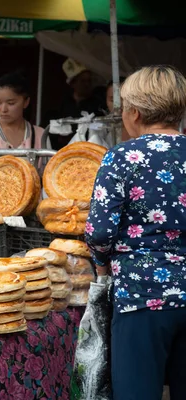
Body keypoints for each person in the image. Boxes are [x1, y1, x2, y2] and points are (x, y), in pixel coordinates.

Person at [85, 65, 186, 400]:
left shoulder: (121, 158)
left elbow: (99, 232)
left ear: (135, 113)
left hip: (140, 299)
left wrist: (100, 265)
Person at [48, 59, 106, 149]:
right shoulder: (65, 103)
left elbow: (101, 126)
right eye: (82, 81)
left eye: (89, 81)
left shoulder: (97, 104)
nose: (86, 84)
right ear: (73, 83)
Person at [105, 78, 131, 143]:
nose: (118, 104)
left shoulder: (141, 128)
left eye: (123, 98)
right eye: (112, 100)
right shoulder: (104, 129)